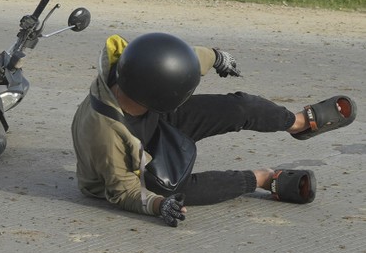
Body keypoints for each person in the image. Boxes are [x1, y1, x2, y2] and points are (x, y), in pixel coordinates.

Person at [71, 32, 357, 227]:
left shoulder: (134, 66)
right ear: (161, 96)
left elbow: (179, 59)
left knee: (238, 108)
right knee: (172, 189)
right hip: (131, 166)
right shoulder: (107, 135)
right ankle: (262, 179)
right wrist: (159, 206)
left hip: (152, 117)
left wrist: (216, 56)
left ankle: (298, 123)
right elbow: (124, 192)